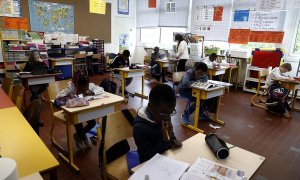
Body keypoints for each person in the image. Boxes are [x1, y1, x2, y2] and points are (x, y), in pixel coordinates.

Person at [133, 84, 182, 163]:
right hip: (149, 164)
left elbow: (171, 137)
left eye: (171, 113)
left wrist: (173, 141)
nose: (167, 118)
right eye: (164, 113)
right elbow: (148, 157)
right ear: (150, 107)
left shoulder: (163, 116)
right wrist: (165, 140)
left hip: (166, 158)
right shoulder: (139, 128)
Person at [56, 70, 104, 149]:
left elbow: (101, 89)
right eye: (82, 88)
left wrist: (92, 93)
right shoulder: (71, 87)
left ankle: (79, 136)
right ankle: (82, 136)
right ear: (77, 85)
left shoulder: (89, 85)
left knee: (92, 123)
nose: (85, 89)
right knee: (77, 122)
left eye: (86, 87)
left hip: (84, 110)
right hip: (71, 112)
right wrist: (71, 97)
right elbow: (58, 97)